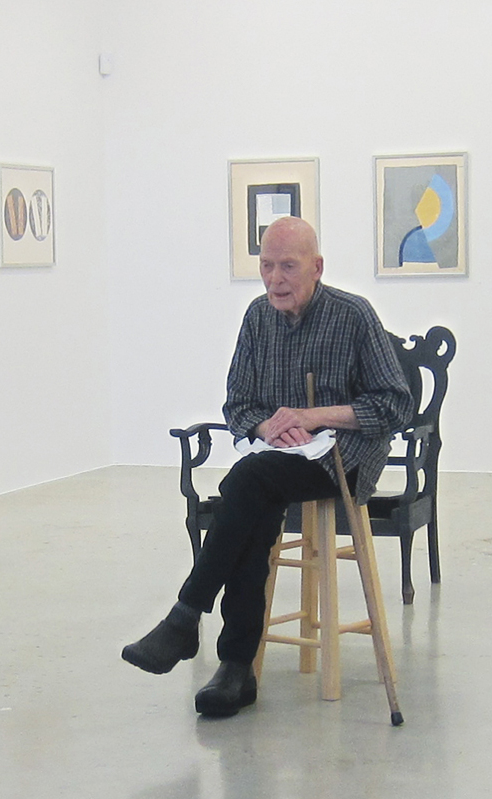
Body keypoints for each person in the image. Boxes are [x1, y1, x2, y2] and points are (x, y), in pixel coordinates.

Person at [122, 216, 414, 717]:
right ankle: (233, 668)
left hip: (342, 459)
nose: (275, 279)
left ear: (317, 267)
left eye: (288, 267)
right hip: (278, 459)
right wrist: (267, 427)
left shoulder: (353, 315)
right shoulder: (258, 317)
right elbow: (238, 404)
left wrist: (313, 417)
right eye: (266, 266)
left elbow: (395, 405)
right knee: (251, 501)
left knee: (246, 483)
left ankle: (192, 623)